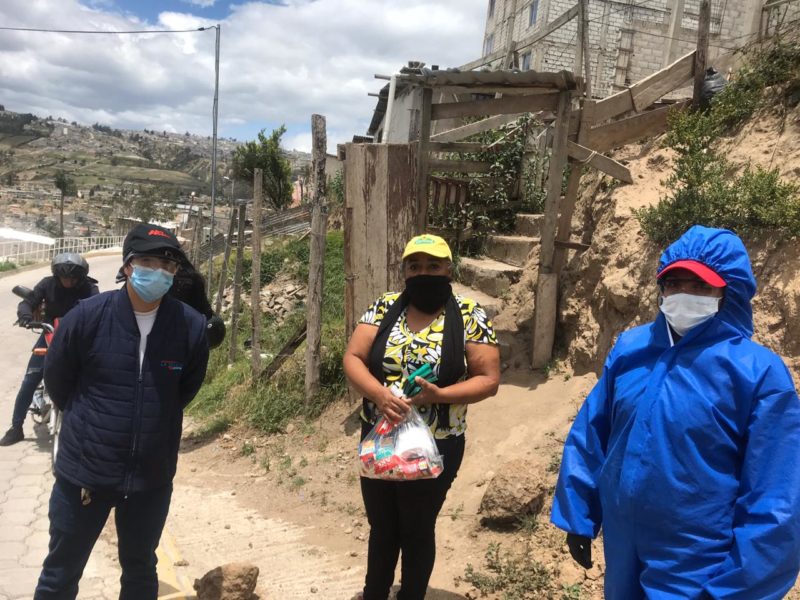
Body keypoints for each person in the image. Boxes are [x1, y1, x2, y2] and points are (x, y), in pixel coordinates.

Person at [551, 225, 800, 599]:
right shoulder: (632, 349)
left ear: (727, 293)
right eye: (674, 283)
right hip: (623, 549)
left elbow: (775, 500)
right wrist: (579, 513)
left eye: (700, 286)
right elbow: (594, 430)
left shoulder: (756, 373)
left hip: (699, 568)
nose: (684, 294)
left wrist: (735, 589)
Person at [33, 223, 209, 600]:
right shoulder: (87, 317)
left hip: (151, 478)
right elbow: (58, 382)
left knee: (141, 570)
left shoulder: (190, 327)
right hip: (85, 474)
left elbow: (182, 392)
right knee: (59, 574)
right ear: (128, 266)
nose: (158, 271)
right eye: (148, 262)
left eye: (167, 264)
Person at [343, 233, 501, 600]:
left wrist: (439, 395)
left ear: (449, 269)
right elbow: (353, 357)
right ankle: (374, 594)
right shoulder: (385, 307)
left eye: (433, 265)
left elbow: (488, 379)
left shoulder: (469, 314)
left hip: (436, 444)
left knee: (416, 527)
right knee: (382, 526)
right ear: (404, 271)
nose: (423, 273)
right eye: (414, 266)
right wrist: (380, 394)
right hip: (380, 437)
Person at [0, 252, 98, 446]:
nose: (68, 281)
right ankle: (16, 427)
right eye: (63, 277)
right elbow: (28, 302)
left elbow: (98, 307)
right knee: (30, 379)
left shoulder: (90, 288)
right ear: (56, 275)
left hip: (77, 338)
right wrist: (25, 316)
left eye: (72, 278)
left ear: (81, 277)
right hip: (50, 333)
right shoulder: (47, 284)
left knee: (92, 377)